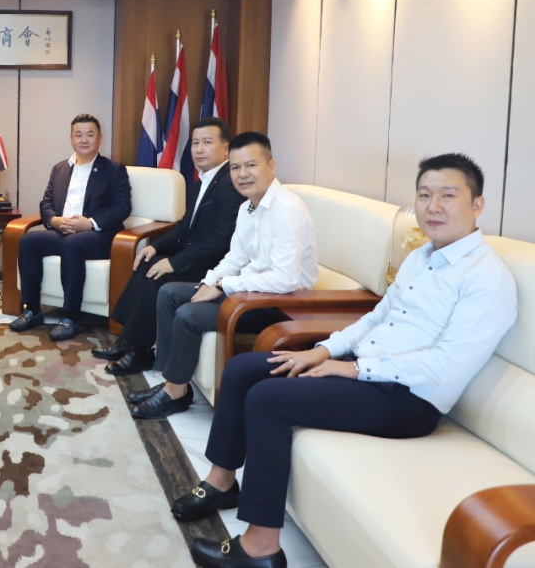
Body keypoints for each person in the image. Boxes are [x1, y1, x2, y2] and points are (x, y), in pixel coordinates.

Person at [172, 153, 517, 568]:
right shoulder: (420, 257)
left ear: (477, 205)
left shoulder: (487, 278)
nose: (433, 207)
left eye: (448, 195)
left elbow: (445, 365)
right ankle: (221, 481)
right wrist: (323, 350)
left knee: (267, 400)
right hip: (368, 369)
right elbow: (375, 317)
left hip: (408, 400)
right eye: (424, 195)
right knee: (246, 369)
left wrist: (352, 369)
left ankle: (260, 548)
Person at [132, 131, 317, 420]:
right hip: (250, 292)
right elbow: (235, 258)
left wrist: (222, 285)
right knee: (169, 293)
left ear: (271, 166)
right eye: (235, 167)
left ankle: (175, 393)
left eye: (251, 165)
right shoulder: (247, 207)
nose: (242, 174)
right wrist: (210, 281)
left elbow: (284, 279)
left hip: (279, 304)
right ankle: (171, 382)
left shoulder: (287, 209)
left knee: (189, 314)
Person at [95, 117, 243, 375]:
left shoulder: (230, 184)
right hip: (195, 256)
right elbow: (185, 225)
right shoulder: (202, 181)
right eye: (195, 143)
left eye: (207, 142)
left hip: (213, 266)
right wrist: (156, 247)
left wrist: (174, 262)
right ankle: (130, 340)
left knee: (160, 275)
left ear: (225, 148)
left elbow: (221, 241)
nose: (199, 149)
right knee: (147, 261)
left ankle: (141, 352)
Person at [10, 114, 132, 341]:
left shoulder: (113, 170)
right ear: (71, 139)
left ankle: (71, 317)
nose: (84, 140)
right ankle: (32, 310)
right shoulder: (60, 169)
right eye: (79, 135)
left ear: (99, 138)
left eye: (90, 135)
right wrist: (54, 221)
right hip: (62, 231)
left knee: (72, 244)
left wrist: (90, 223)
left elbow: (122, 207)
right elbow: (46, 203)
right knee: (29, 241)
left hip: (98, 235)